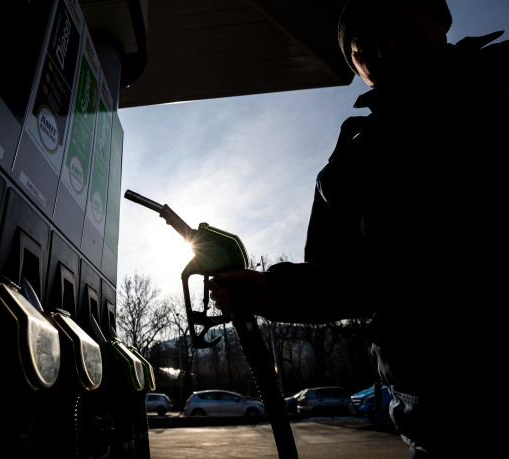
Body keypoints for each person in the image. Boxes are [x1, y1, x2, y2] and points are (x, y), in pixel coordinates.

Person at [209, 1, 508, 457]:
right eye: (363, 46)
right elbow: (344, 281)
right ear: (358, 68)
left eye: (397, 21)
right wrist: (269, 292)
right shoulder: (349, 165)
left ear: (438, 18)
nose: (384, 47)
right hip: (443, 426)